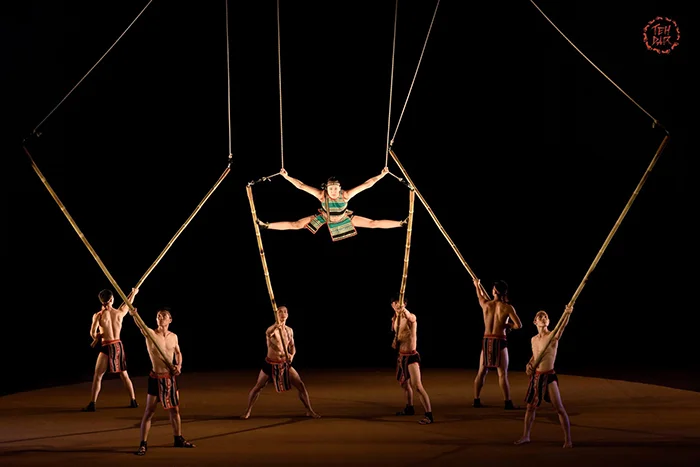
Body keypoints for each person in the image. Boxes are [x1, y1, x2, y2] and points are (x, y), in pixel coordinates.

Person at [256, 167, 407, 241]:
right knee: (296, 225)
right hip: (325, 216)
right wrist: (287, 177)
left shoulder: (345, 195)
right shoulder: (322, 196)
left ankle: (401, 223)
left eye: (335, 189)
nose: (333, 191)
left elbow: (367, 184)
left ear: (339, 188)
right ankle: (266, 226)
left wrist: (382, 174)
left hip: (343, 218)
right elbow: (301, 186)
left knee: (373, 223)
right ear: (326, 189)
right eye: (331, 189)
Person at [241, 305, 320, 419]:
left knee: (301, 385)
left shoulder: (289, 330)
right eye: (280, 312)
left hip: (284, 363)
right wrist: (276, 326)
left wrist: (292, 355)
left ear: (287, 315)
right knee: (258, 387)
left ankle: (309, 410)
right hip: (270, 364)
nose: (283, 314)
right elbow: (268, 333)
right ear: (276, 315)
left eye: (285, 312)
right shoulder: (272, 330)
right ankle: (247, 411)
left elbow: (292, 346)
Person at [135, 307, 195, 456]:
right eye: (158, 316)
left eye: (163, 315)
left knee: (175, 410)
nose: (160, 317)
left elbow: (178, 352)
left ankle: (178, 438)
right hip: (156, 378)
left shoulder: (173, 337)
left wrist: (178, 366)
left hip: (170, 378)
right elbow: (140, 324)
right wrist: (134, 314)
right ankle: (143, 444)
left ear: (170, 320)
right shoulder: (150, 334)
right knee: (149, 412)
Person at [515, 306, 573, 448]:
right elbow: (535, 356)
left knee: (559, 408)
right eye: (540, 316)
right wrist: (529, 365)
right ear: (535, 321)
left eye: (545, 316)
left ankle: (568, 439)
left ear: (549, 321)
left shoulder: (552, 336)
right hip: (536, 376)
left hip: (549, 376)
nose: (543, 318)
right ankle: (526, 436)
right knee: (530, 408)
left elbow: (562, 326)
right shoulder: (533, 340)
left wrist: (567, 313)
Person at [82, 288, 139, 412]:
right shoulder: (119, 313)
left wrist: (97, 335)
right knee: (124, 374)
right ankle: (133, 400)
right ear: (112, 299)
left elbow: (92, 333)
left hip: (107, 345)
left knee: (98, 375)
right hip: (117, 346)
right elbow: (128, 303)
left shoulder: (98, 315)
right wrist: (134, 293)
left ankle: (92, 403)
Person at [472, 279, 523, 409]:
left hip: (487, 340)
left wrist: (477, 285)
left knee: (481, 372)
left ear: (494, 291)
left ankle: (476, 400)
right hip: (500, 340)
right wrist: (507, 325)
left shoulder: (486, 304)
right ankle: (507, 402)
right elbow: (519, 325)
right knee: (502, 374)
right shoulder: (507, 307)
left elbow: (479, 295)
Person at [391, 297, 434, 425]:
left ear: (404, 304)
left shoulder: (410, 317)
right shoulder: (394, 319)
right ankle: (409, 407)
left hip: (411, 357)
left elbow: (412, 318)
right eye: (395, 303)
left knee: (417, 386)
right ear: (392, 305)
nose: (398, 305)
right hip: (401, 356)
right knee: (404, 384)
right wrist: (395, 342)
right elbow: (399, 337)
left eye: (400, 302)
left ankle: (429, 415)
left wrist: (404, 311)